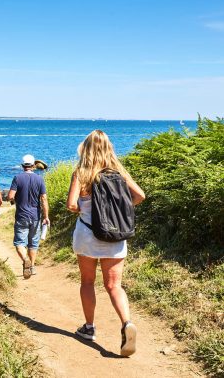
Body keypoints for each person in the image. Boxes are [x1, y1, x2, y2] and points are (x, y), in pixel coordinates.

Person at [66, 130, 145, 357]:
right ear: (109, 147)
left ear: (86, 148)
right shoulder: (119, 172)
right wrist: (118, 210)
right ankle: (126, 323)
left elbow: (72, 205)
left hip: (88, 236)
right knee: (114, 286)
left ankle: (89, 328)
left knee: (88, 281)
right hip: (115, 236)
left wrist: (87, 209)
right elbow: (140, 196)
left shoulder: (81, 173)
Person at [8, 154, 49, 279]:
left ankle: (25, 259)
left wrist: (15, 201)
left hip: (21, 215)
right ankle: (32, 268)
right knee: (33, 244)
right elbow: (44, 199)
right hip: (36, 216)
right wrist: (46, 216)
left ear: (22, 166)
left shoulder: (17, 178)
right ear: (33, 166)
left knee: (19, 242)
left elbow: (10, 196)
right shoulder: (39, 179)